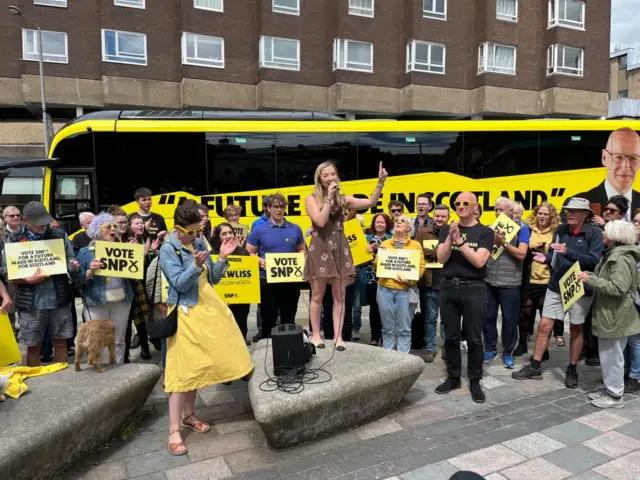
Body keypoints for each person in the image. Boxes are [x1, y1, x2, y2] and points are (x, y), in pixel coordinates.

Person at [159, 200, 253, 456]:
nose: (196, 236)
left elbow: (213, 278)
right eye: (191, 232)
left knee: (199, 364)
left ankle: (189, 414)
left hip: (208, 308)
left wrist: (222, 258)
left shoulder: (199, 241)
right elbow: (177, 283)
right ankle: (173, 430)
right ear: (178, 227)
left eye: (198, 231)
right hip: (186, 312)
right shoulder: (168, 248)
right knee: (180, 371)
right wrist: (195, 265)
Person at [513, 197, 604, 388]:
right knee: (545, 324)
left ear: (585, 214)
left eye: (574, 211)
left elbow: (594, 260)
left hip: (579, 288)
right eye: (568, 210)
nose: (569, 213)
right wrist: (545, 258)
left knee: (576, 328)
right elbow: (555, 254)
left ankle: (572, 369)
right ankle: (535, 366)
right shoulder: (561, 230)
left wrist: (566, 252)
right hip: (556, 285)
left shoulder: (595, 233)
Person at [304, 160, 388, 350]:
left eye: (332, 174)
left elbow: (371, 202)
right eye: (325, 175)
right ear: (319, 178)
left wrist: (380, 183)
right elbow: (320, 220)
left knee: (340, 296)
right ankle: (316, 335)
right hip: (320, 246)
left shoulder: (344, 199)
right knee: (317, 295)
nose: (330, 178)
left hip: (340, 247)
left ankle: (338, 337)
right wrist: (328, 200)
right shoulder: (311, 198)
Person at [435, 192, 493, 403]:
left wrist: (460, 241)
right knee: (450, 336)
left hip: (474, 288)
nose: (460, 206)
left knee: (474, 337)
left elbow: (479, 261)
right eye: (457, 203)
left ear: (475, 206)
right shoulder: (446, 229)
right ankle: (453, 377)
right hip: (449, 287)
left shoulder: (485, 232)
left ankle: (475, 380)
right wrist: (451, 237)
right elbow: (441, 258)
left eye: (465, 203)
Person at [5, 201, 79, 366]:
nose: (43, 225)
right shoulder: (14, 240)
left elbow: (70, 259)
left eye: (45, 221)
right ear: (26, 221)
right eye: (38, 222)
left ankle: (63, 382)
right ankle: (38, 383)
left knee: (61, 342)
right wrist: (26, 280)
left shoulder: (59, 235)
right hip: (31, 303)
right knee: (33, 346)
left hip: (59, 299)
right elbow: (8, 272)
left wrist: (73, 265)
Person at [579, 220, 640, 408]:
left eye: (605, 231)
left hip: (615, 314)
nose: (602, 233)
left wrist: (591, 279)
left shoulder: (620, 258)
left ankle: (615, 395)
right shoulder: (615, 254)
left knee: (612, 356)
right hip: (611, 313)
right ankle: (611, 388)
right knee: (609, 354)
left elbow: (618, 288)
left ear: (615, 235)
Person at [246, 193, 306, 340]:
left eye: (282, 207)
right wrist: (260, 261)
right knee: (268, 320)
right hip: (267, 281)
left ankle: (289, 351)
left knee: (289, 319)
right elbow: (249, 252)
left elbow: (301, 249)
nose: (279, 210)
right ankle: (266, 351)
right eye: (275, 207)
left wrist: (301, 257)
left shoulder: (295, 229)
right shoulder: (259, 230)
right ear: (269, 208)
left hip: (290, 281)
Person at [77, 213, 135, 364]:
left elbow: (134, 276)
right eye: (108, 227)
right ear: (97, 230)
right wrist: (90, 271)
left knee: (119, 339)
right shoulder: (85, 252)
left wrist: (136, 257)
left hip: (122, 301)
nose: (113, 230)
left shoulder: (123, 248)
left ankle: (119, 371)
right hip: (96, 302)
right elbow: (78, 280)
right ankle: (100, 374)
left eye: (114, 226)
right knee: (97, 340)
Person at [483, 197, 530, 369]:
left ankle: (508, 352)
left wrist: (504, 243)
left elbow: (522, 254)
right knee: (488, 317)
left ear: (511, 212)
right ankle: (489, 348)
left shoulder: (522, 230)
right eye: (495, 209)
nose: (497, 212)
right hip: (489, 281)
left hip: (510, 283)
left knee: (510, 320)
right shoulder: (489, 228)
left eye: (500, 210)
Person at [515, 202, 563, 357]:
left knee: (545, 318)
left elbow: (560, 254)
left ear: (552, 217)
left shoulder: (557, 232)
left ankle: (544, 349)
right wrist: (532, 251)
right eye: (540, 213)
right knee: (524, 314)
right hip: (529, 278)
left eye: (546, 214)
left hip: (548, 279)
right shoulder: (527, 230)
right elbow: (521, 252)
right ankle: (522, 343)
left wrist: (547, 254)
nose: (542, 217)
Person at [374, 215, 425, 353]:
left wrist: (410, 280)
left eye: (402, 221)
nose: (398, 222)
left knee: (404, 329)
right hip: (385, 289)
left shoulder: (416, 245)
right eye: (396, 221)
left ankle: (403, 361)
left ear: (409, 228)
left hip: (405, 290)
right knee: (387, 328)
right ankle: (389, 359)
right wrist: (378, 257)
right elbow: (377, 267)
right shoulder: (385, 244)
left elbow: (420, 268)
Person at [566, 128, 640, 219]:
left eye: (633, 158)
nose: (626, 166)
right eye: (619, 158)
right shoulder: (577, 203)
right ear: (604, 158)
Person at [414, 204, 450, 362]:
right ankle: (429, 347)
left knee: (447, 318)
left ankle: (446, 347)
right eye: (437, 216)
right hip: (429, 281)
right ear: (433, 216)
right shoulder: (423, 231)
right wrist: (441, 251)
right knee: (430, 317)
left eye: (443, 216)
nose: (440, 219)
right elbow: (417, 251)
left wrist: (431, 252)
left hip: (448, 282)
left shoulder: (452, 233)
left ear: (448, 217)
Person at [211, 222, 252, 344]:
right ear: (218, 237)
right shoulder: (213, 254)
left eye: (230, 232)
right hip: (221, 301)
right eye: (224, 234)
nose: (228, 236)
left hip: (241, 301)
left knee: (241, 327)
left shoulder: (243, 252)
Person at [360, 213, 393, 346]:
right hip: (371, 278)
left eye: (382, 222)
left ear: (387, 224)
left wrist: (379, 247)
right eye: (377, 222)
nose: (379, 224)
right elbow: (360, 258)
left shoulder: (392, 238)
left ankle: (387, 336)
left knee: (387, 308)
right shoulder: (367, 238)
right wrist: (365, 250)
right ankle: (374, 336)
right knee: (374, 308)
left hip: (387, 278)